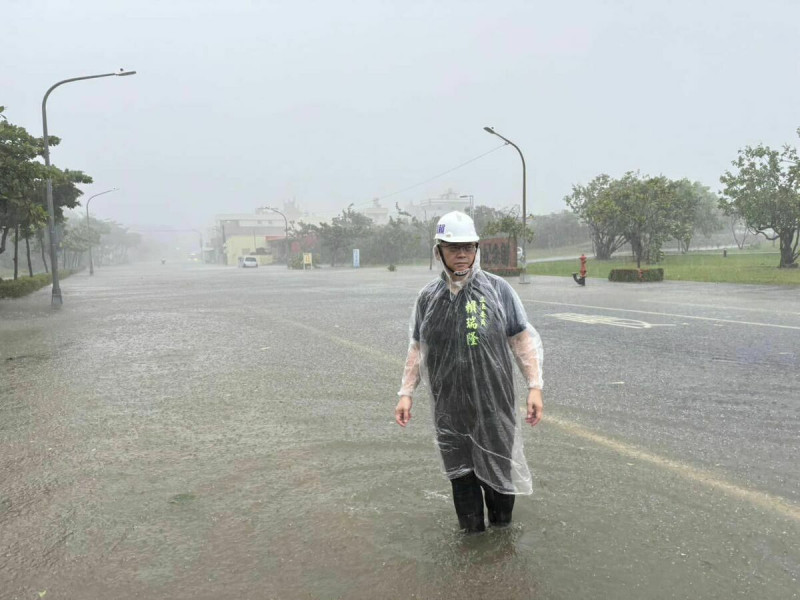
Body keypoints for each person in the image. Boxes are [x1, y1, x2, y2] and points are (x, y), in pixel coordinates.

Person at [395, 211, 544, 533]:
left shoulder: (498, 290)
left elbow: (521, 340)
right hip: (450, 409)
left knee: (499, 481)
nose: (461, 255)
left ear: (477, 249)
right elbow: (418, 348)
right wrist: (406, 393)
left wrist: (535, 386)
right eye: (453, 248)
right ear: (439, 253)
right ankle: (474, 540)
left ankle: (502, 541)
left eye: (468, 247)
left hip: (494, 407)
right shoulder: (428, 299)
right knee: (461, 479)